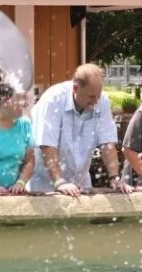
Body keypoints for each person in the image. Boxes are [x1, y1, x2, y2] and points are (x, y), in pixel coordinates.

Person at [28, 63, 133, 196]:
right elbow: (47, 146)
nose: (95, 101)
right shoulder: (52, 100)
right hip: (45, 184)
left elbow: (107, 143)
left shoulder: (101, 101)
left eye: (98, 96)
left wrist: (114, 178)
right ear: (75, 89)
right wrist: (60, 182)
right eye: (91, 97)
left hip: (81, 184)